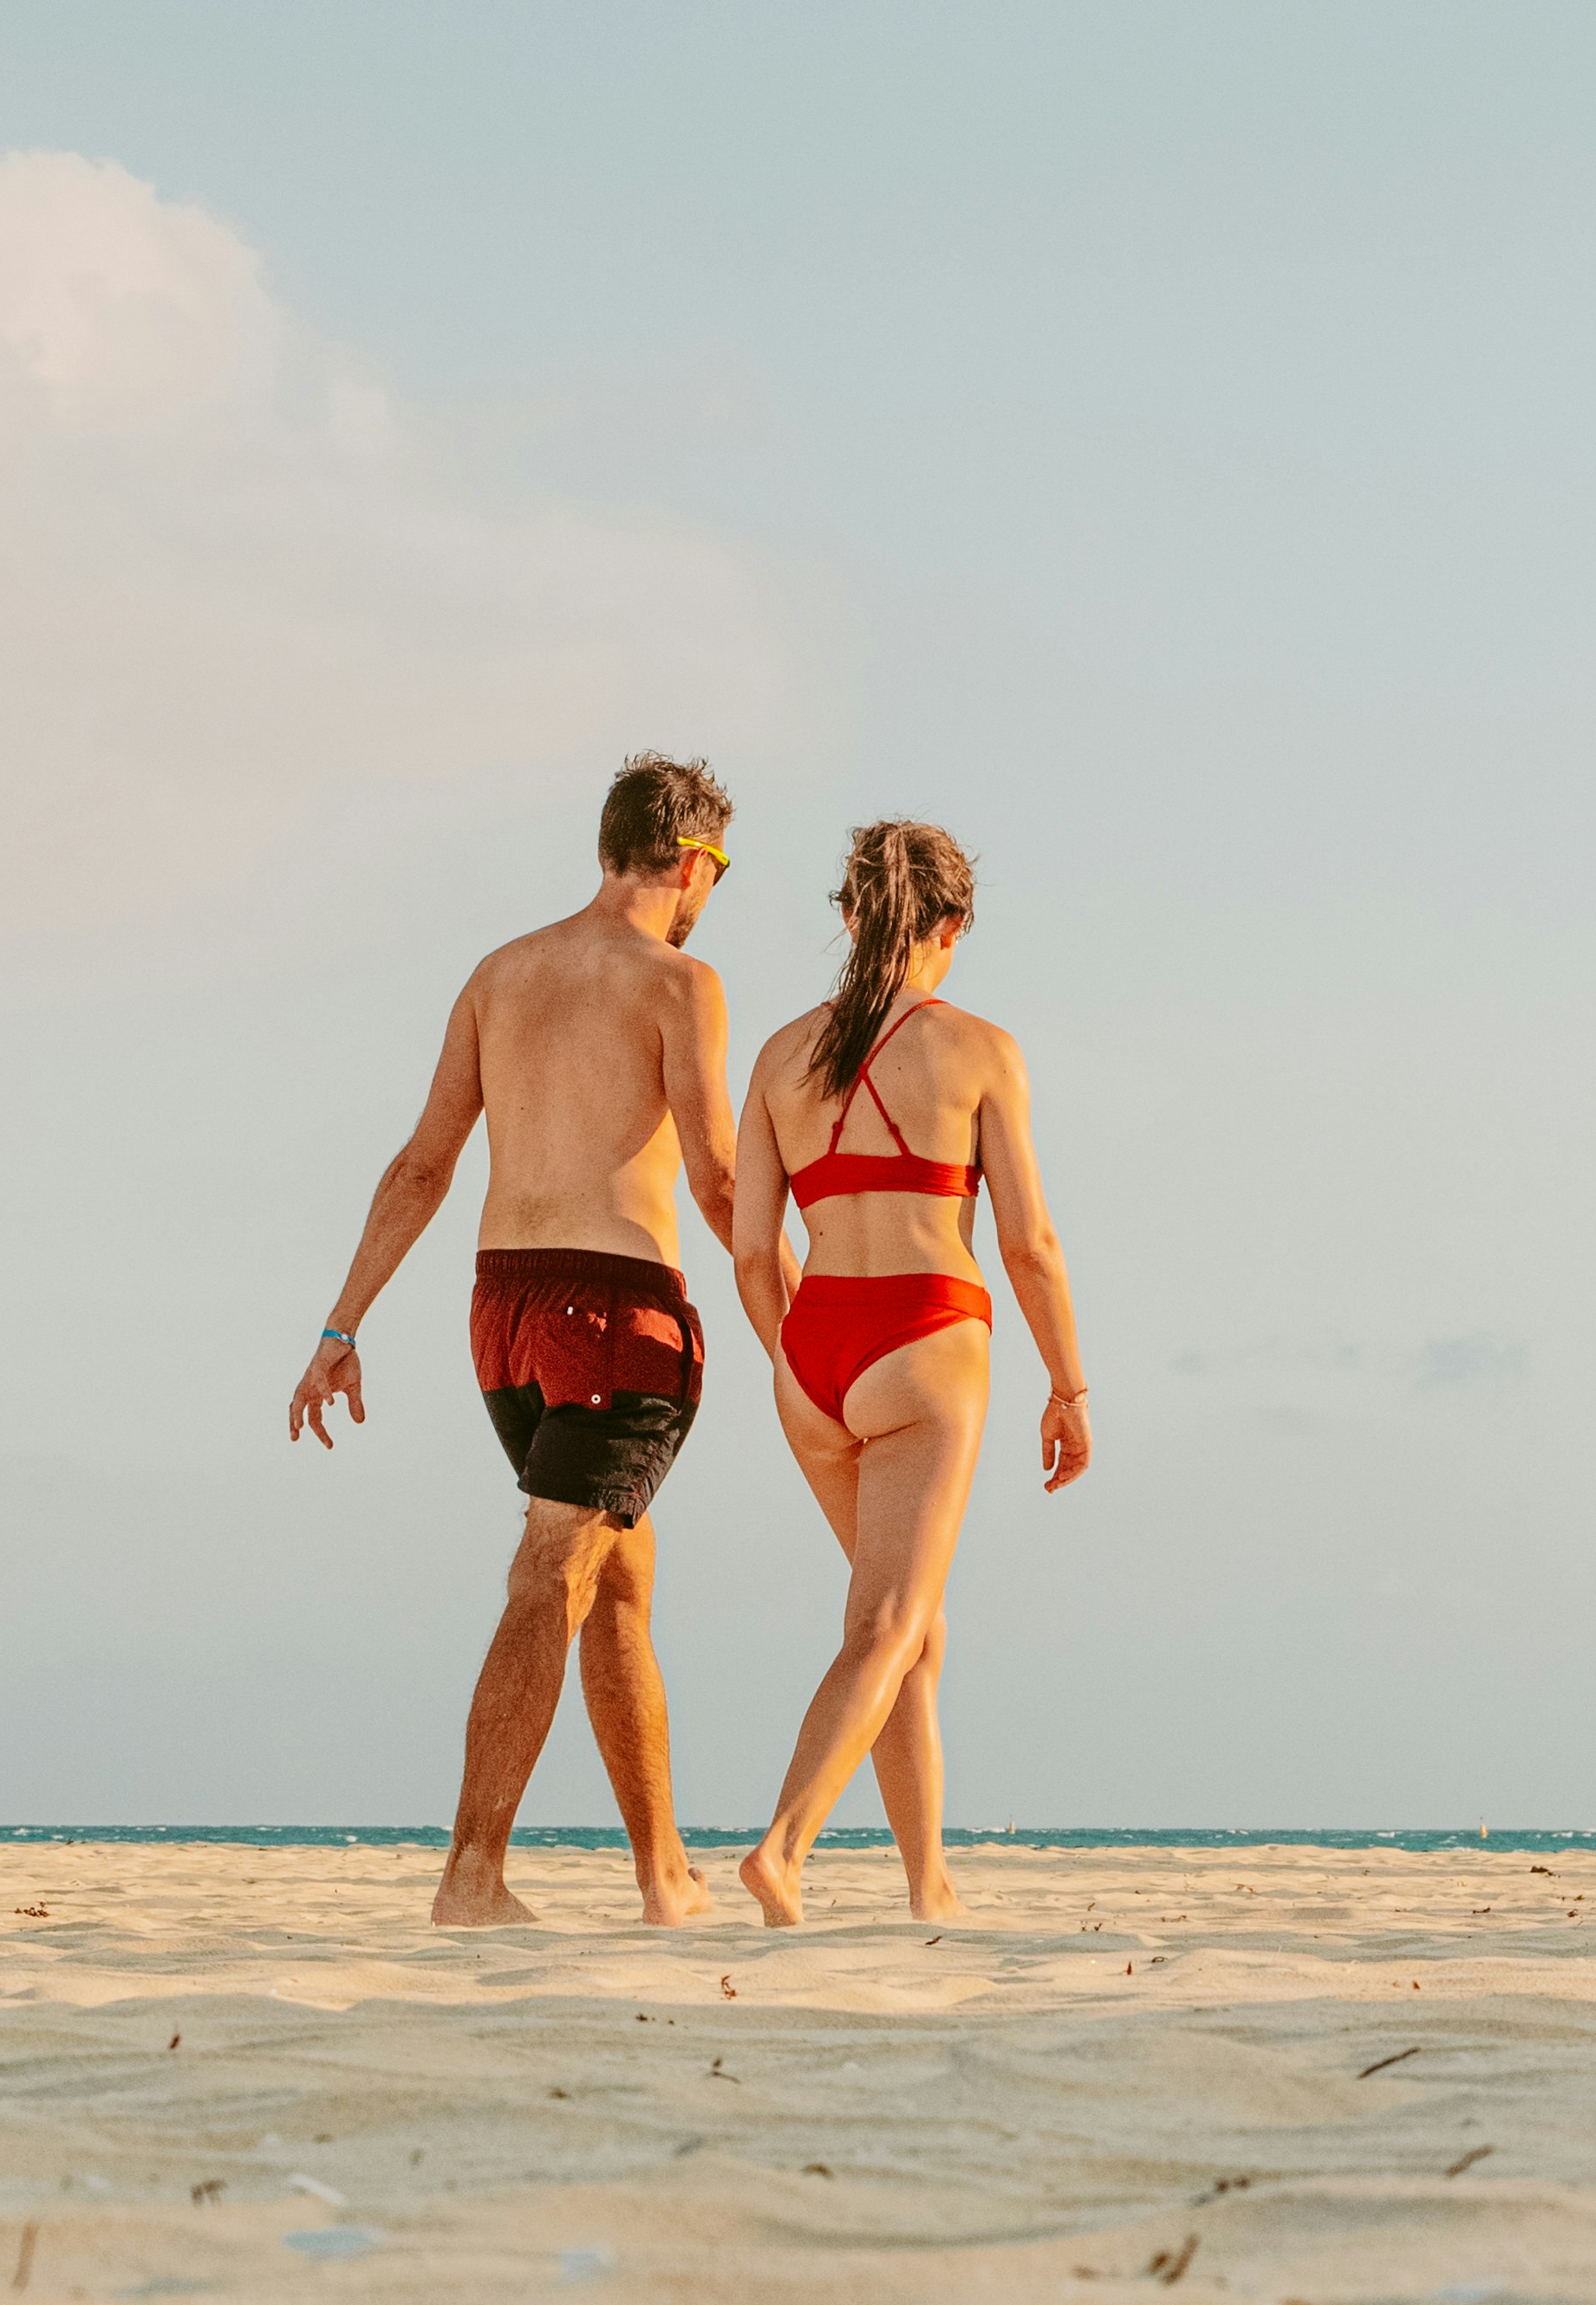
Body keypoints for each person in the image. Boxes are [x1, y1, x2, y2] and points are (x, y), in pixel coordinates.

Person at [288, 755, 739, 1930]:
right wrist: (795, 1304)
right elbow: (721, 1176)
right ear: (692, 860)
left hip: (501, 1317)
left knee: (616, 1573)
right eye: (718, 870)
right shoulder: (680, 983)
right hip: (618, 1311)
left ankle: (663, 1876)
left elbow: (424, 1163)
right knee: (553, 1573)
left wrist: (344, 1323)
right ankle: (472, 1875)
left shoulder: (502, 972)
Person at [728, 815, 1087, 1929]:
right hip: (926, 1338)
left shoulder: (781, 1054)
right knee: (887, 1621)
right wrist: (1068, 1386)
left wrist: (799, 1360)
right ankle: (782, 1847)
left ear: (847, 916)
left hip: (812, 1349)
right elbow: (1028, 1242)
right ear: (954, 923)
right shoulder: (977, 1048)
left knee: (908, 1628)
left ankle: (929, 1884)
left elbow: (748, 1250)